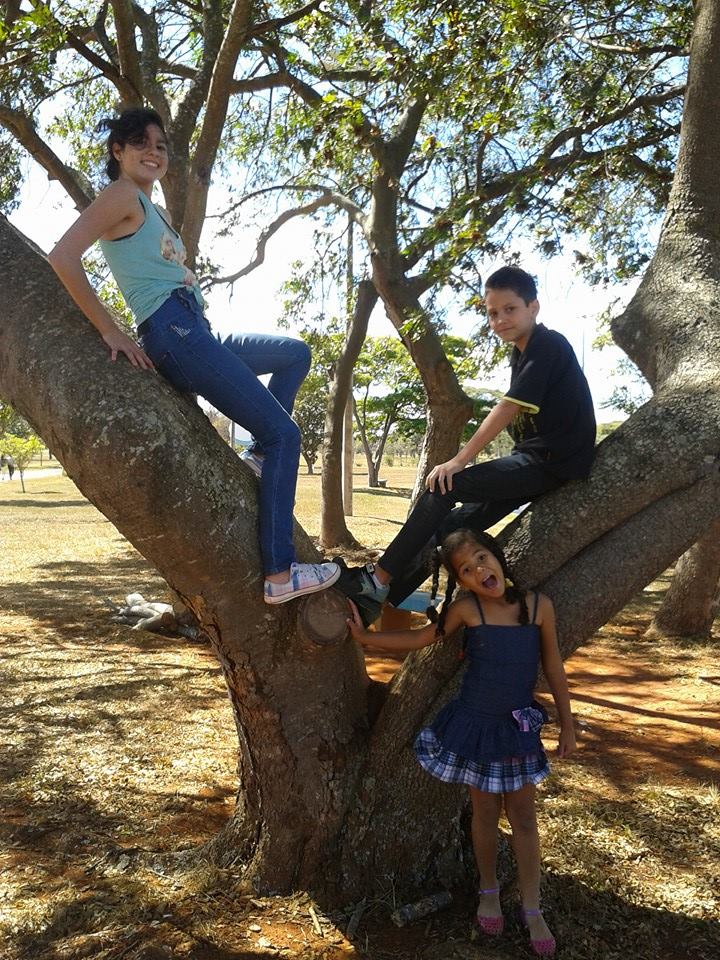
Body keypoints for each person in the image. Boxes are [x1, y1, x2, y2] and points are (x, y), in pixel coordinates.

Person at [48, 107, 339, 604]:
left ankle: (259, 455)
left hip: (194, 328)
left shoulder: (149, 206)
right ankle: (278, 574)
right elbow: (62, 256)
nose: (153, 152)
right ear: (117, 151)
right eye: (140, 142)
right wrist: (111, 330)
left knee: (294, 354)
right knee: (286, 432)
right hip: (172, 328)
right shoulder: (120, 194)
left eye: (160, 145)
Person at [347, 529, 576, 957]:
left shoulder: (538, 606)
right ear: (461, 582)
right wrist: (366, 639)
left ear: (499, 558)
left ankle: (532, 907)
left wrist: (568, 723)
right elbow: (421, 639)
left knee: (524, 817)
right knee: (484, 812)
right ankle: (488, 890)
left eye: (482, 558)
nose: (479, 571)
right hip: (474, 725)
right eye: (466, 570)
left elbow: (554, 665)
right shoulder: (467, 611)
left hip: (517, 729)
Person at [336, 265, 596, 624]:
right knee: (446, 530)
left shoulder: (548, 344)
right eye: (492, 313)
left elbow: (510, 406)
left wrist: (460, 460)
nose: (501, 319)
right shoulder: (520, 351)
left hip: (552, 463)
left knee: (445, 484)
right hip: (536, 461)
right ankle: (380, 603)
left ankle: (376, 579)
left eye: (510, 309)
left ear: (533, 308)